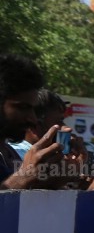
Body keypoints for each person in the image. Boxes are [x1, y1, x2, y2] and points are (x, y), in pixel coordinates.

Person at [0, 54, 65, 191]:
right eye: (23, 107)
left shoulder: (6, 156)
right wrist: (23, 177)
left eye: (33, 110)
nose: (33, 119)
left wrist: (57, 182)